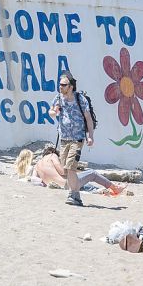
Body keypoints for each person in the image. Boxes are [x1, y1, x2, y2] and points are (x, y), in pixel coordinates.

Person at [48, 72, 95, 206]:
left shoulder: (80, 100)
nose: (60, 87)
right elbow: (50, 112)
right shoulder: (58, 98)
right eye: (60, 85)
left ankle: (74, 195)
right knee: (66, 169)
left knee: (71, 166)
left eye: (63, 85)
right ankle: (76, 195)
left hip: (77, 138)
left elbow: (88, 118)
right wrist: (54, 112)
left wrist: (91, 136)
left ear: (71, 87)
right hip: (64, 139)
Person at [15, 146, 125, 195]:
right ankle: (115, 188)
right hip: (68, 185)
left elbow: (36, 181)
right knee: (92, 173)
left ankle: (101, 190)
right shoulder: (53, 156)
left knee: (84, 184)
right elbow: (63, 172)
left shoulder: (37, 165)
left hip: (60, 187)